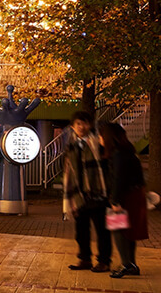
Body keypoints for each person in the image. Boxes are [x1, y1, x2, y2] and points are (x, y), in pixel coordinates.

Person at [63, 111, 111, 272]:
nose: (81, 127)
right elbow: (69, 171)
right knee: (81, 230)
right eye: (78, 123)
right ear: (72, 126)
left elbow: (106, 167)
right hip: (79, 194)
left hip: (97, 193)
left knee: (102, 230)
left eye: (84, 123)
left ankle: (104, 261)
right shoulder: (71, 146)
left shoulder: (98, 143)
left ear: (89, 125)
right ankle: (84, 259)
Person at [98, 121, 148, 278]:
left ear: (107, 137)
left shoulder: (118, 154)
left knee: (118, 229)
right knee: (129, 231)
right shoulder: (128, 151)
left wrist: (114, 201)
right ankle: (131, 264)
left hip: (125, 196)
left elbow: (118, 179)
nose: (99, 138)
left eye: (100, 135)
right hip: (135, 194)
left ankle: (126, 264)